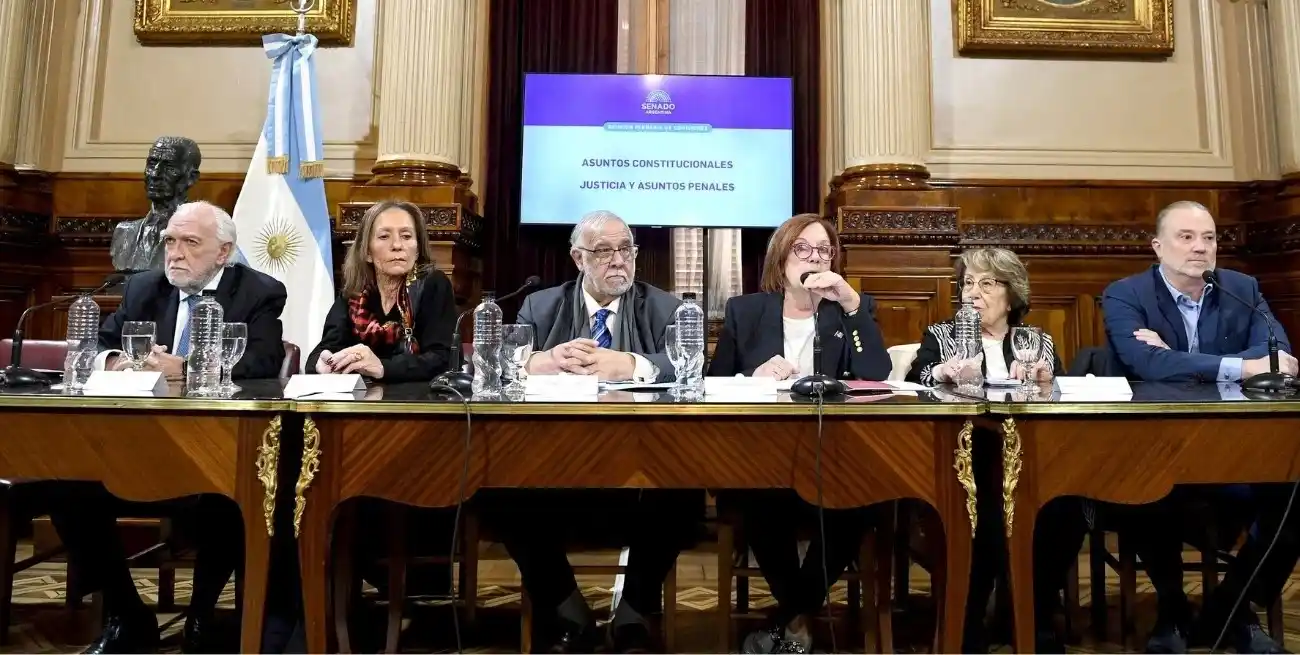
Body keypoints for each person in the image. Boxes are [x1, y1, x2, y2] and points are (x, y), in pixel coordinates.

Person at [55, 200, 287, 654]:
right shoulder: (145, 287)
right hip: (136, 445)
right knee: (67, 489)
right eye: (170, 242)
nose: (175, 253)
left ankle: (200, 617)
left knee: (231, 494)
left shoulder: (258, 291)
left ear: (223, 252)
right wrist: (116, 360)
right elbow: (100, 344)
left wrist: (190, 366)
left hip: (214, 446)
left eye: (190, 243)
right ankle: (127, 614)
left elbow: (264, 363)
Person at [1100, 200, 1297, 654]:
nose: (1200, 248)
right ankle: (1173, 611)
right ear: (1158, 247)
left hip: (1237, 448)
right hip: (1154, 446)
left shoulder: (1241, 288)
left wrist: (1177, 360)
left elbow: (1278, 359)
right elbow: (1144, 363)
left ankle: (1232, 607)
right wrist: (1241, 368)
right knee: (1147, 490)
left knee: (1294, 489)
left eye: (1208, 238)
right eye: (1186, 237)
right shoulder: (1126, 294)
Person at [493, 210, 695, 653]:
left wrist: (632, 364)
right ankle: (569, 612)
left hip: (640, 471)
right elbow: (502, 368)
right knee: (499, 493)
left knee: (686, 495)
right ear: (578, 258)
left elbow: (691, 368)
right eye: (604, 251)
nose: (618, 261)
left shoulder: (665, 307)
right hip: (556, 468)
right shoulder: (541, 305)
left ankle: (633, 615)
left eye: (626, 249)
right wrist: (546, 361)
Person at [708, 212, 892, 653]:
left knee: (863, 501)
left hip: (834, 459)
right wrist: (754, 376)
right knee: (759, 500)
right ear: (781, 256)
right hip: (761, 458)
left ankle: (790, 614)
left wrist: (850, 304)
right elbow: (713, 385)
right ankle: (798, 613)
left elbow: (875, 372)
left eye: (824, 250)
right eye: (802, 249)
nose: (813, 258)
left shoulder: (850, 310)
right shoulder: (746, 310)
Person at [905, 247, 1071, 652]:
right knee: (990, 507)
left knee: (1069, 508)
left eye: (986, 283)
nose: (972, 293)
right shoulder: (943, 335)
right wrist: (942, 371)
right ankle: (976, 618)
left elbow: (1062, 395)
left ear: (1011, 294)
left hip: (1032, 458)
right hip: (964, 457)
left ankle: (1030, 609)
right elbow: (916, 378)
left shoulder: (1035, 340)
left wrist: (1048, 379)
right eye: (967, 283)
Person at [306, 199, 457, 382]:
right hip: (361, 402)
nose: (397, 245)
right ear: (367, 252)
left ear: (417, 250)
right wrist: (324, 363)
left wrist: (382, 367)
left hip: (418, 401)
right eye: (384, 236)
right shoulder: (354, 294)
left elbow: (444, 358)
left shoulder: (433, 285)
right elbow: (322, 351)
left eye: (407, 236)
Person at [110, 136, 202, 274]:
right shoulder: (125, 232)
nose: (154, 174)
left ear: (191, 178)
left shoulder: (201, 234)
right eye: (152, 164)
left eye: (169, 167)